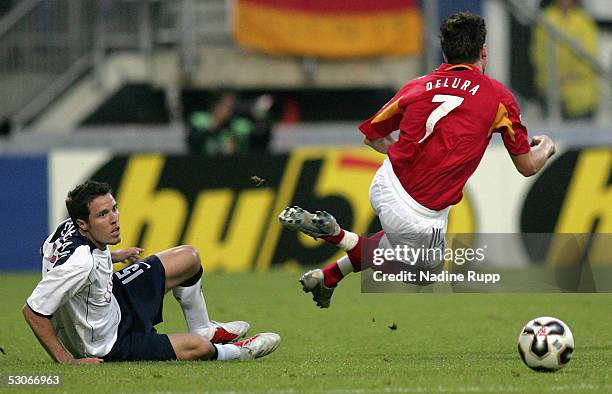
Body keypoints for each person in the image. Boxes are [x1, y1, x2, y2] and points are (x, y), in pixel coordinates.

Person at [279, 12, 556, 308]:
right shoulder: (499, 97)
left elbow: (372, 136)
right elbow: (528, 165)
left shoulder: (418, 86)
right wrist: (547, 146)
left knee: (393, 242)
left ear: (445, 52)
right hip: (420, 213)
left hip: (386, 183)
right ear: (483, 51)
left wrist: (413, 152)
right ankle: (337, 234)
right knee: (427, 273)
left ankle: (329, 276)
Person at [23, 180, 280, 363]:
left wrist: (111, 257)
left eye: (114, 208)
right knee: (199, 349)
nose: (114, 218)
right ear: (83, 223)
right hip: (108, 343)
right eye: (103, 214)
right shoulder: (80, 263)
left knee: (188, 257)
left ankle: (203, 327)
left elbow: (51, 255)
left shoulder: (66, 228)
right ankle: (242, 351)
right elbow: (33, 311)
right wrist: (66, 361)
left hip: (114, 299)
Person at [531, 0, 599, 120]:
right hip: (553, 87)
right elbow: (539, 54)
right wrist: (558, 75)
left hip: (581, 89)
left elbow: (590, 53)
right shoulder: (545, 19)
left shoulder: (584, 21)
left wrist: (574, 73)